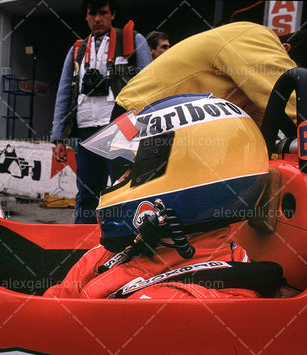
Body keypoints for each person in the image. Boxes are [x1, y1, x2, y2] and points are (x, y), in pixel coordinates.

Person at [45, 94, 283, 299]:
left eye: (132, 169)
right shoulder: (121, 248)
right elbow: (54, 304)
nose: (119, 180)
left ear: (187, 175)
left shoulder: (182, 301)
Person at [51, 0, 152, 224]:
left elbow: (150, 85)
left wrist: (147, 129)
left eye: (103, 13)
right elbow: (64, 94)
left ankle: (126, 242)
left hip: (122, 127)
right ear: (86, 16)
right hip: (86, 130)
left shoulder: (133, 40)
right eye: (92, 14)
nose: (97, 19)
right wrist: (59, 136)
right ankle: (82, 246)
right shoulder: (77, 49)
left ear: (112, 14)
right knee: (87, 193)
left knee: (125, 188)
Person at [113, 22, 307, 127]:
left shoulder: (251, 80)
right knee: (143, 199)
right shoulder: (257, 37)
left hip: (154, 120)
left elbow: (262, 128)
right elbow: (294, 103)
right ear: (285, 49)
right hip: (137, 115)